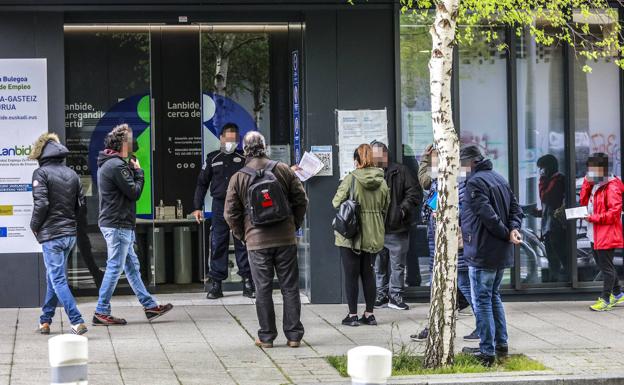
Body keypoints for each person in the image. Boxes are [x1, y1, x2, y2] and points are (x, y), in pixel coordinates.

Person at [225, 131, 308, 348]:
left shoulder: (239, 177)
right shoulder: (282, 170)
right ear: (265, 147)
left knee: (262, 289)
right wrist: (293, 225)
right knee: (290, 287)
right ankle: (294, 336)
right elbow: (301, 200)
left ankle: (267, 337)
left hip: (256, 241)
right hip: (285, 238)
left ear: (245, 150)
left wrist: (243, 235)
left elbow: (230, 213)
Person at [93, 124, 173, 326]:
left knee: (132, 267)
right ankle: (101, 311)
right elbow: (134, 192)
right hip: (118, 224)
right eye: (130, 139)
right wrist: (139, 172)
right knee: (115, 267)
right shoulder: (116, 165)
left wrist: (130, 169)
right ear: (122, 144)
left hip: (118, 223)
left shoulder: (112, 164)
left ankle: (149, 305)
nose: (133, 142)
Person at [459, 145, 523, 366]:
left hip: (483, 250)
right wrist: (513, 229)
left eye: (462, 164)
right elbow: (516, 209)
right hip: (498, 251)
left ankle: (487, 352)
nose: (461, 169)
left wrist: (507, 233)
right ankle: (501, 346)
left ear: (472, 163)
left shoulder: (475, 182)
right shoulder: (498, 178)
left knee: (483, 301)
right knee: (493, 297)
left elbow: (487, 215)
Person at [410, 144, 478, 342]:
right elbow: (425, 179)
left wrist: (444, 215)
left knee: (465, 286)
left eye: (436, 157)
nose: (433, 161)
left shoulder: (457, 181)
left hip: (454, 243)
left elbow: (462, 210)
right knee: (440, 287)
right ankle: (434, 326)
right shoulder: (438, 180)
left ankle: (484, 327)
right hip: (438, 242)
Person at [29, 133, 88, 335]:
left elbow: (42, 203)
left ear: (41, 154)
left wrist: (34, 225)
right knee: (53, 277)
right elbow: (81, 205)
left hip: (52, 234)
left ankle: (76, 320)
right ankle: (45, 321)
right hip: (69, 233)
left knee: (58, 279)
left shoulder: (41, 173)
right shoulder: (72, 174)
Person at [193, 123, 255, 299]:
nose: (230, 142)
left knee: (242, 243)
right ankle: (216, 284)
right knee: (218, 243)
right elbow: (202, 183)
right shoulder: (213, 158)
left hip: (241, 205)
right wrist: (197, 207)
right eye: (228, 139)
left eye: (234, 139)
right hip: (219, 205)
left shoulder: (245, 157)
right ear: (221, 138)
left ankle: (247, 283)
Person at [333, 144, 389, 327]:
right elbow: (385, 205)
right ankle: (370, 314)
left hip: (352, 233)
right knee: (368, 273)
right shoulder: (382, 180)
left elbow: (336, 202)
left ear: (356, 160)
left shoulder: (351, 178)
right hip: (373, 232)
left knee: (351, 275)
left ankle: (352, 315)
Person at [370, 141, 422, 310]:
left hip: (396, 226)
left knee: (397, 265)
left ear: (384, 154)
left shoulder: (401, 171)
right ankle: (381, 295)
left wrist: (401, 211)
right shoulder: (369, 173)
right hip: (377, 228)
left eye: (377, 155)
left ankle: (395, 296)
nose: (374, 159)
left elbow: (414, 193)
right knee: (379, 265)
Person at [580, 153, 624, 311]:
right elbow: (584, 201)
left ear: (602, 169)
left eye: (593, 170)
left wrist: (593, 218)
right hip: (595, 233)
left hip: (606, 234)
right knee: (604, 265)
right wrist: (587, 182)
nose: (590, 173)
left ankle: (605, 299)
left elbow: (614, 213)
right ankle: (618, 293)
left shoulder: (612, 187)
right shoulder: (595, 184)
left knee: (606, 268)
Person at [532, 154, 567, 282]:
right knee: (552, 260)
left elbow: (547, 197)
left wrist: (541, 181)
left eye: (542, 168)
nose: (541, 171)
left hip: (556, 227)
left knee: (559, 257)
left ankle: (561, 284)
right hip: (549, 227)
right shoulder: (551, 180)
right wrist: (538, 213)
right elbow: (550, 207)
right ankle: (555, 282)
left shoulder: (557, 180)